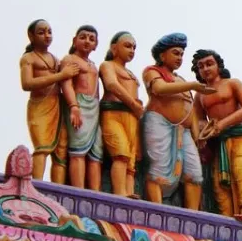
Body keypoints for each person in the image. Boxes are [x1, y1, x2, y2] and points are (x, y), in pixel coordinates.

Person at [142, 33, 214, 209]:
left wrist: (198, 136)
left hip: (185, 132)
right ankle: (156, 210)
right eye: (175, 53)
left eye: (182, 54)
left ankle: (192, 216)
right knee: (158, 170)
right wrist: (192, 86)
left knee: (194, 174)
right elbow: (159, 88)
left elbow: (191, 111)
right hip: (160, 124)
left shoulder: (181, 79)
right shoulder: (152, 71)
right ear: (162, 55)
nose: (180, 58)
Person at [192, 49, 242, 222]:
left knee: (239, 169)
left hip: (241, 134)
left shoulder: (232, 84)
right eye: (201, 66)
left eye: (209, 64)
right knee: (219, 181)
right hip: (219, 140)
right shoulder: (199, 95)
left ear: (218, 66)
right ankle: (226, 218)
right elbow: (197, 120)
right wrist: (204, 131)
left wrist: (222, 124)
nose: (205, 69)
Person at [20, 19, 78, 183]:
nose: (47, 35)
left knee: (60, 151)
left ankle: (57, 189)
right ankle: (36, 185)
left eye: (49, 32)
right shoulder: (28, 58)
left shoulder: (56, 59)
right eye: (41, 32)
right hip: (40, 106)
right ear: (31, 36)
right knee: (42, 148)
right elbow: (27, 84)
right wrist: (61, 75)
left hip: (57, 106)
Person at [99, 32, 144, 198]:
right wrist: (132, 103)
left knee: (131, 163)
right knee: (121, 154)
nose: (131, 50)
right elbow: (111, 84)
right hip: (113, 113)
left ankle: (129, 194)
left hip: (132, 118)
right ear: (114, 48)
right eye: (127, 46)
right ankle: (120, 194)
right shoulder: (108, 65)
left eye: (134, 47)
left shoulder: (132, 74)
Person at [61, 25, 104, 190]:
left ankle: (94, 193)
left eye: (91, 39)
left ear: (96, 45)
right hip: (79, 105)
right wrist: (73, 106)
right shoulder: (69, 59)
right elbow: (66, 84)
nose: (87, 41)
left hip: (93, 108)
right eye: (83, 37)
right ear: (74, 40)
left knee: (96, 154)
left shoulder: (93, 65)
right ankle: (78, 191)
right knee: (78, 150)